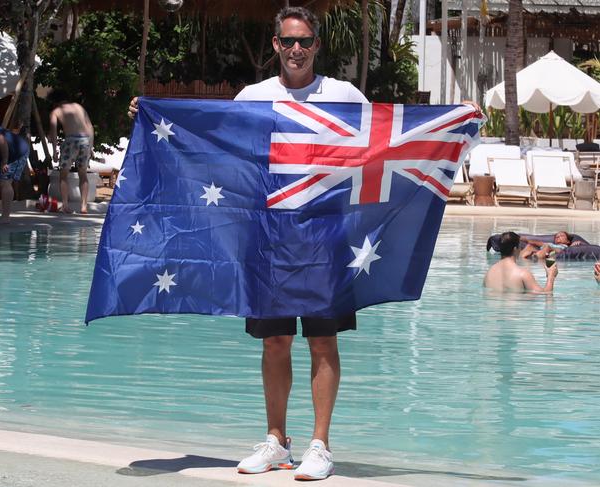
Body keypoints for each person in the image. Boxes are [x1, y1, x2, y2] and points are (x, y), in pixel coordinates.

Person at [128, 7, 481, 480]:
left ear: (317, 46)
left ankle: (320, 445)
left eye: (306, 41)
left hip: (325, 238)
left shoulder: (343, 95)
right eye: (289, 41)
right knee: (275, 341)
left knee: (322, 340)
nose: (297, 49)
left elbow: (385, 145)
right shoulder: (252, 97)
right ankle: (276, 441)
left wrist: (455, 121)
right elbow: (217, 150)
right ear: (276, 45)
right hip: (268, 239)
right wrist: (154, 115)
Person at [48, 93, 94, 214]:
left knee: (63, 175)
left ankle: (65, 205)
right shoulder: (79, 107)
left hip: (70, 142)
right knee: (83, 174)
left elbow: (53, 133)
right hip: (85, 140)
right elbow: (89, 127)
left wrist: (54, 151)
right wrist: (91, 146)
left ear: (55, 103)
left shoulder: (56, 111)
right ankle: (84, 206)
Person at [484, 231, 558, 292]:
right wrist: (551, 276)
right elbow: (545, 295)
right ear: (516, 249)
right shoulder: (522, 274)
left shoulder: (489, 273)